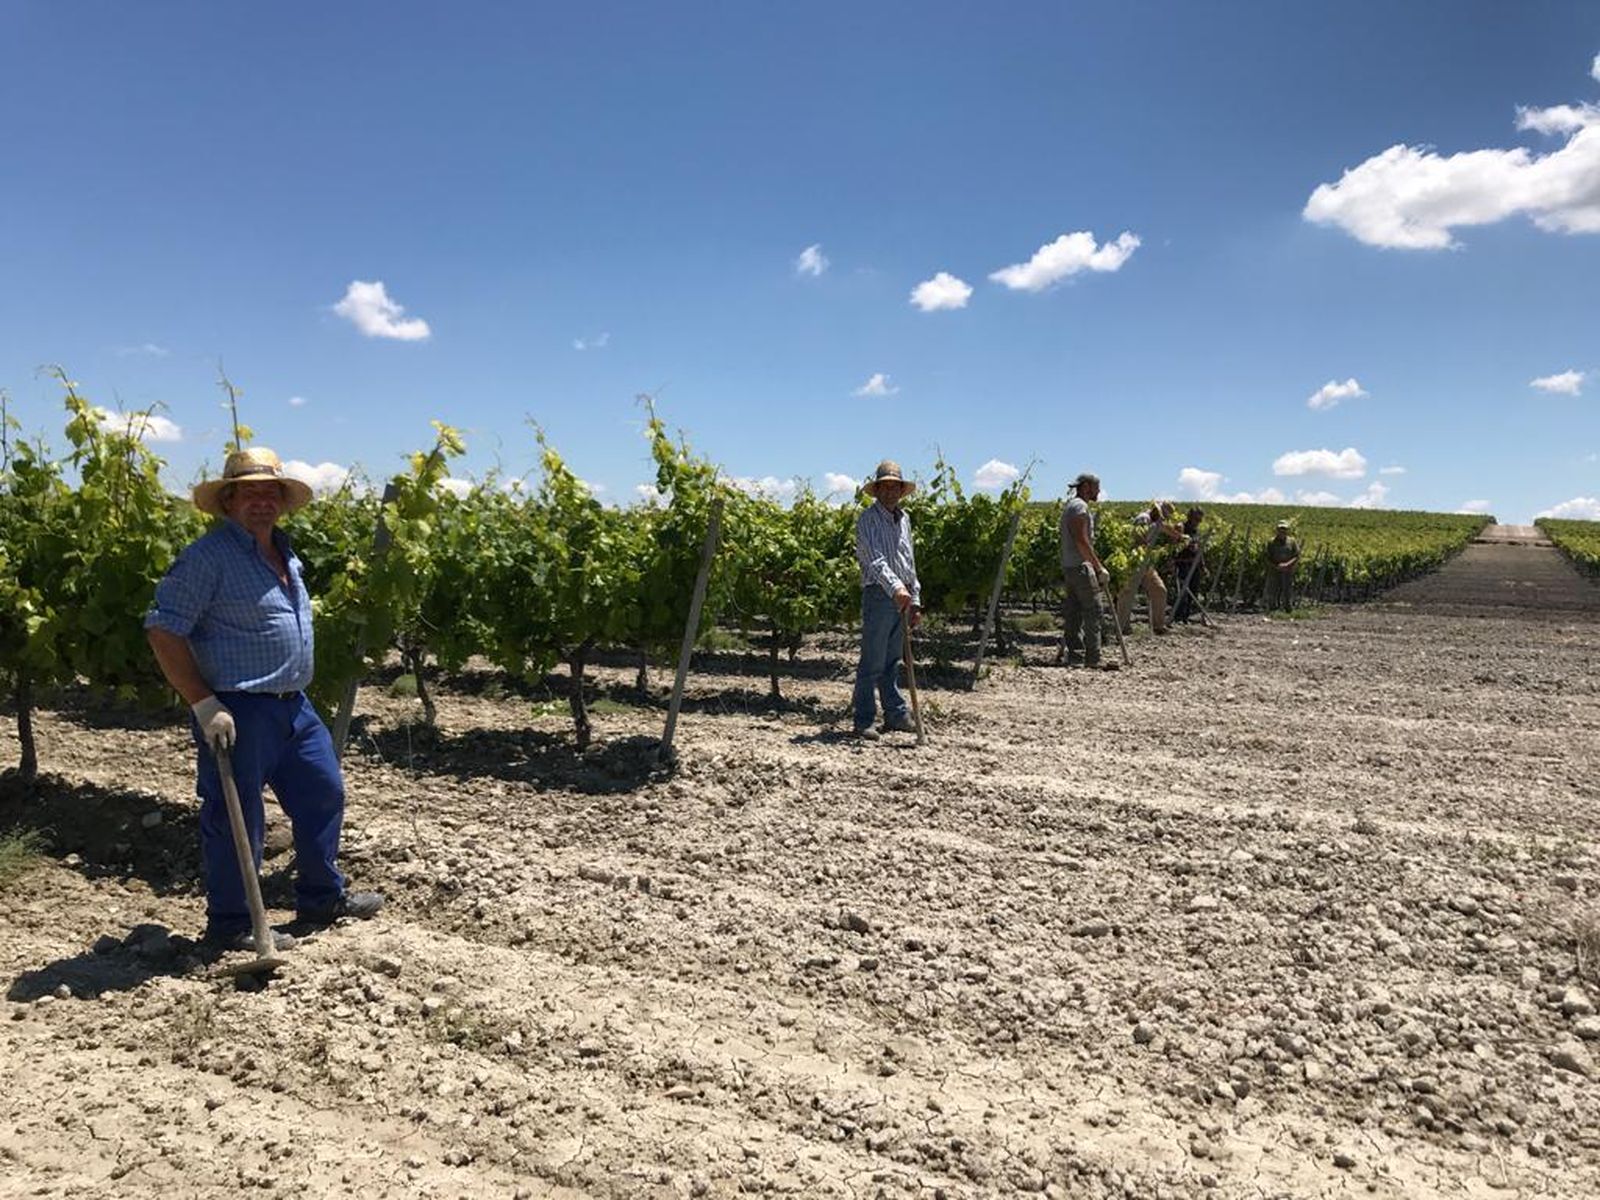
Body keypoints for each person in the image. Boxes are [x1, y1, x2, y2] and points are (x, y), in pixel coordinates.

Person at [145, 447, 384, 952]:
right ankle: (232, 924)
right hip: (238, 706)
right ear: (228, 500)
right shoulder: (208, 557)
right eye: (249, 492)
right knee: (236, 815)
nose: (261, 501)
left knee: (323, 792)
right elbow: (164, 630)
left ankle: (322, 897)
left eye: (270, 491)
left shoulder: (285, 552)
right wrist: (202, 702)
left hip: (294, 704)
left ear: (282, 500)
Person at [851, 460, 922, 739]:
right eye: (886, 486)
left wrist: (914, 597)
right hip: (880, 594)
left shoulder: (904, 520)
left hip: (901, 595)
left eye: (896, 487)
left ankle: (894, 714)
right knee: (872, 661)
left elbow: (909, 562)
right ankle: (864, 720)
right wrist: (895, 588)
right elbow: (875, 561)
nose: (891, 492)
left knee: (893, 660)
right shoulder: (868, 519)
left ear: (901, 491)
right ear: (877, 490)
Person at [1059, 472, 1117, 670]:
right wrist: (1098, 567)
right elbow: (1081, 541)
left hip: (1070, 566)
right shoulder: (1080, 508)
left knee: (1074, 612)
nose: (1099, 491)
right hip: (1080, 568)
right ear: (1085, 487)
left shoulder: (1072, 506)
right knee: (1094, 610)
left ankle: (1074, 655)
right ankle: (1093, 657)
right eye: (1096, 487)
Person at [1115, 501, 1178, 635]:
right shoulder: (1144, 518)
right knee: (1127, 593)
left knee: (1159, 590)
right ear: (1156, 511)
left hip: (1145, 561)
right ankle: (1122, 626)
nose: (1163, 519)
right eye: (1162, 515)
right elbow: (1138, 539)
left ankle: (1158, 626)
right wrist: (1151, 549)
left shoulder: (1155, 521)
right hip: (1134, 560)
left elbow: (1166, 528)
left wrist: (1179, 536)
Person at [1171, 507, 1207, 623]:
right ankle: (1178, 617)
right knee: (1183, 592)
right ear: (1190, 517)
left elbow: (1199, 550)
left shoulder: (1196, 531)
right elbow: (1174, 546)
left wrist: (1202, 565)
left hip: (1194, 564)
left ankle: (1186, 617)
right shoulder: (1181, 528)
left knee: (1193, 591)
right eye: (1196, 519)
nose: (1198, 522)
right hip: (1183, 563)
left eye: (1200, 520)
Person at [1264, 520, 1301, 611]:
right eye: (1280, 529)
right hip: (1274, 570)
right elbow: (1267, 557)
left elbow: (1297, 555)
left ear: (1287, 530)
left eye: (1284, 529)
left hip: (1288, 571)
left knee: (1287, 590)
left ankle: (1288, 610)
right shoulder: (1271, 542)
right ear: (1277, 530)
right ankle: (1273, 610)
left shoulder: (1292, 541)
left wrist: (1287, 565)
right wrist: (1276, 566)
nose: (1282, 531)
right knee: (1273, 590)